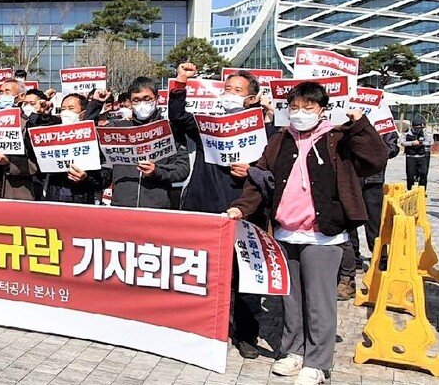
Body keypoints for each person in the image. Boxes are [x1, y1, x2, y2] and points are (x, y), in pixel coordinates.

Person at [227, 82, 387, 385]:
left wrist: (360, 125)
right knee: (291, 300)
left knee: (319, 301)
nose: (301, 113)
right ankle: (293, 352)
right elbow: (260, 178)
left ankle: (317, 361)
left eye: (308, 107)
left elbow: (376, 159)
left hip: (323, 236)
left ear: (322, 109)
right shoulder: (280, 140)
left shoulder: (338, 137)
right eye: (295, 107)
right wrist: (241, 208)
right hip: (287, 234)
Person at [169, 64, 276, 358]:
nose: (229, 95)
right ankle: (200, 327)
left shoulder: (265, 131)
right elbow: (178, 116)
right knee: (201, 271)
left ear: (252, 99)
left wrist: (251, 171)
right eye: (227, 90)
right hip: (203, 205)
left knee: (244, 275)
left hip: (243, 210)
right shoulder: (207, 124)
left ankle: (245, 335)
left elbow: (273, 173)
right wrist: (181, 82)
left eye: (237, 91)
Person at [108, 77, 190, 210]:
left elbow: (182, 169)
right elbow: (105, 167)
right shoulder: (119, 130)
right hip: (122, 207)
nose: (142, 104)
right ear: (130, 102)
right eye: (136, 100)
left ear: (156, 99)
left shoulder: (169, 130)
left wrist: (156, 171)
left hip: (157, 209)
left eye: (147, 99)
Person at [338, 130, 400, 301]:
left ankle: (380, 257)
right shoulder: (347, 122)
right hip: (352, 177)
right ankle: (354, 258)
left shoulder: (383, 123)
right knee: (350, 219)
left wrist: (370, 150)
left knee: (375, 222)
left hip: (374, 179)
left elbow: (392, 148)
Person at [0, 79, 38, 200]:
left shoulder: (28, 123)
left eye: (7, 92)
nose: (2, 95)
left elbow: (35, 163)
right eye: (0, 92)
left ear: (21, 96)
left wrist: (8, 163)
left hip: (16, 192)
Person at [43, 94, 103, 204]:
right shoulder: (53, 134)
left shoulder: (94, 137)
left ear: (82, 114)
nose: (66, 113)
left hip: (81, 198)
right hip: (55, 196)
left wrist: (86, 177)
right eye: (63, 109)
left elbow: (105, 175)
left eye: (71, 109)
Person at [402, 115, 433, 190]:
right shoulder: (407, 133)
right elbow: (402, 142)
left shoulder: (425, 133)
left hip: (422, 157)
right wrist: (412, 143)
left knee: (423, 174)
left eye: (421, 128)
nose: (419, 130)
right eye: (417, 128)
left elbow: (431, 142)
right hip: (411, 156)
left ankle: (422, 191)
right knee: (410, 175)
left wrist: (422, 143)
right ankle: (410, 190)